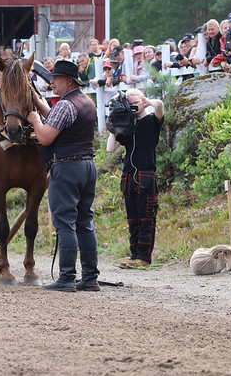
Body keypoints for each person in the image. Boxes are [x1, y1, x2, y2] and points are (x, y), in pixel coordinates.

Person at [27, 60, 98, 292]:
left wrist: (35, 120)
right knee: (85, 222)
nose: (51, 82)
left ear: (68, 82)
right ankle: (89, 277)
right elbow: (61, 120)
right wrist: (41, 105)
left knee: (65, 222)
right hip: (87, 165)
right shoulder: (85, 102)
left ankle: (67, 278)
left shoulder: (66, 104)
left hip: (67, 167)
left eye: (55, 79)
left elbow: (46, 137)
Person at [106, 89, 164, 268]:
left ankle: (144, 257)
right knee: (132, 218)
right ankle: (134, 256)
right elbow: (110, 148)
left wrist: (146, 101)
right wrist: (115, 122)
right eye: (128, 104)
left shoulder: (151, 122)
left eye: (134, 103)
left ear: (143, 100)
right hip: (129, 175)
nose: (132, 107)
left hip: (145, 174)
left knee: (146, 217)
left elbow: (160, 106)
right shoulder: (128, 126)